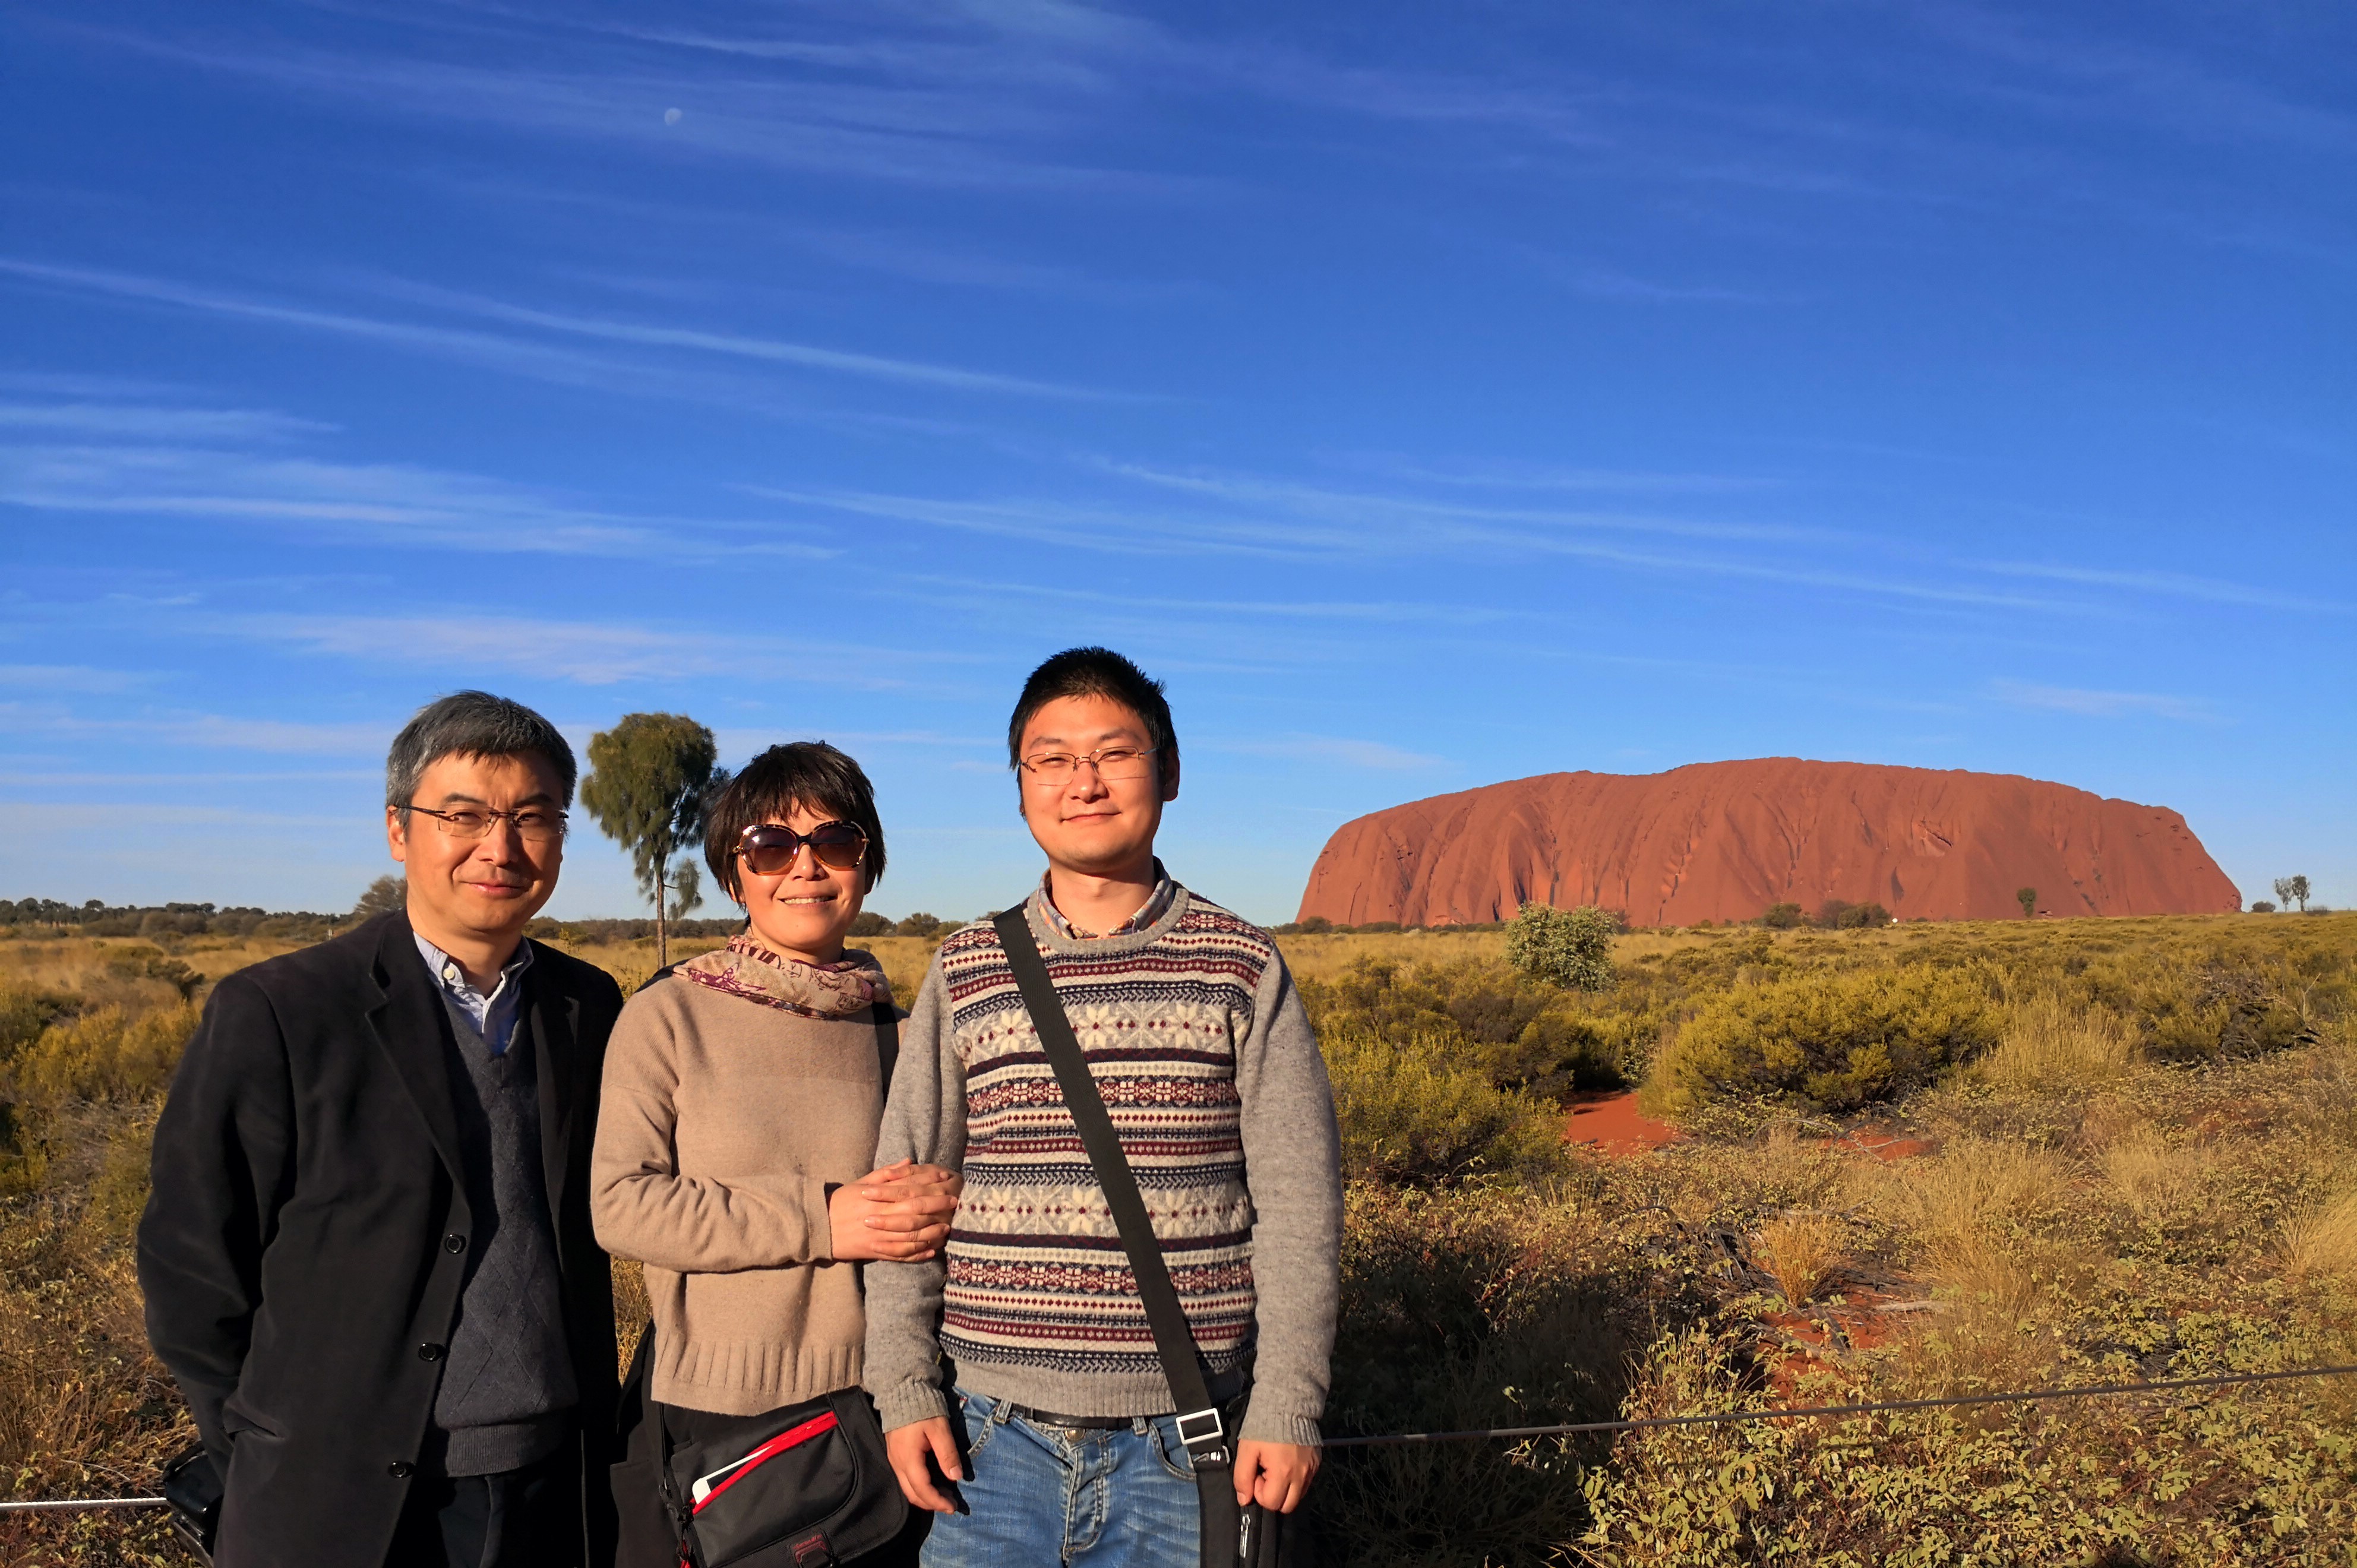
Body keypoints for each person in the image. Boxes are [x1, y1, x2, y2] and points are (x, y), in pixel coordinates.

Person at [864, 647, 1344, 1568]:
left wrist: (1289, 1403)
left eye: (1114, 754)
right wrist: (905, 1388)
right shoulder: (968, 968)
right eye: (1052, 759)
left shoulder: (1240, 965)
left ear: (1167, 771)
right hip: (986, 1445)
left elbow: (1298, 1204)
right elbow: (906, 1197)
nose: (1083, 782)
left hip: (1185, 1444)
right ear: (1020, 787)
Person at [138, 691, 627, 1568]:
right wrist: (259, 1451)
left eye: (532, 817)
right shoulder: (280, 1012)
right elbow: (190, 1262)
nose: (500, 848)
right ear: (400, 830)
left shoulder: (586, 1005)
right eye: (465, 816)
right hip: (339, 1499)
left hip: (554, 1485)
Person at [593, 742, 959, 1566]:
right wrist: (825, 1217)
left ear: (867, 865)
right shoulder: (668, 1018)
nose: (806, 868)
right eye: (771, 847)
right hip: (728, 1418)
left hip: (888, 1403)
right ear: (734, 875)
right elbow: (622, 1205)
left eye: (835, 843)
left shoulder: (901, 1035)